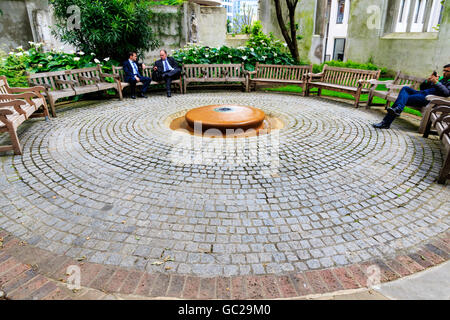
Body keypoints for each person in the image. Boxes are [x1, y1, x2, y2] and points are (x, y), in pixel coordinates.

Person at [372, 64, 450, 129]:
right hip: (421, 93)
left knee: (401, 99)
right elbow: (423, 88)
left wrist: (436, 82)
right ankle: (397, 109)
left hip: (428, 99)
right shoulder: (443, 80)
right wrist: (428, 81)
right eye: (444, 70)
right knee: (405, 89)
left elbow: (446, 93)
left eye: (446, 71)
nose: (444, 72)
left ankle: (386, 122)